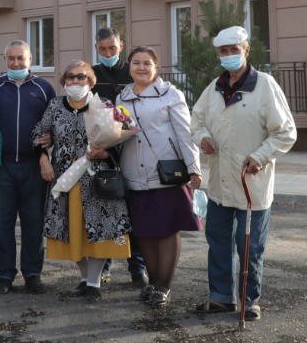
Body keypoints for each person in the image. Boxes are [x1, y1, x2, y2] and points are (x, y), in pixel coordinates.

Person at [192, 26, 297, 321]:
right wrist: (202, 137)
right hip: (219, 183)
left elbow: (286, 132)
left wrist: (260, 156)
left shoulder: (264, 85)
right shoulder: (213, 88)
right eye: (223, 52)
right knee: (218, 242)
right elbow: (196, 120)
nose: (228, 56)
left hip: (251, 182)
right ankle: (221, 297)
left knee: (249, 245)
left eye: (234, 50)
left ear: (246, 51)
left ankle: (250, 301)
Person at [34, 61, 131, 303]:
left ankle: (94, 283)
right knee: (70, 231)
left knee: (97, 233)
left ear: (90, 81)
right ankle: (85, 278)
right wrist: (43, 158)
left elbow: (121, 140)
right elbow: (38, 133)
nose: (75, 82)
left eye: (81, 77)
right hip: (65, 181)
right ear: (64, 81)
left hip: (95, 182)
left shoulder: (104, 106)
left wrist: (106, 154)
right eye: (70, 77)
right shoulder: (55, 105)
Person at [117, 46, 202, 309]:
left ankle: (163, 286)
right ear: (129, 66)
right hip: (133, 173)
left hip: (165, 173)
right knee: (143, 232)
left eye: (147, 63)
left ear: (156, 67)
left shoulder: (170, 94)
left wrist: (194, 167)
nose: (141, 68)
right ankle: (152, 284)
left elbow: (185, 133)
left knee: (166, 231)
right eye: (136, 63)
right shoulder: (123, 96)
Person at [0, 40, 56, 294]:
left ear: (30, 59)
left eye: (20, 59)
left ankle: (33, 273)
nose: (16, 63)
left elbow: (55, 123)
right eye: (11, 59)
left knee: (33, 222)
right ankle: (4, 274)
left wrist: (51, 139)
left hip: (34, 166)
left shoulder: (44, 88)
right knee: (1, 223)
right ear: (5, 61)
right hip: (1, 167)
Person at [91, 26, 147, 287]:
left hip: (132, 148)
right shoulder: (91, 73)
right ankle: (105, 265)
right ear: (96, 48)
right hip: (103, 151)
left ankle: (137, 266)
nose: (107, 53)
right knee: (107, 208)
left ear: (121, 46)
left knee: (135, 212)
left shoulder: (131, 71)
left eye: (112, 48)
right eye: (102, 49)